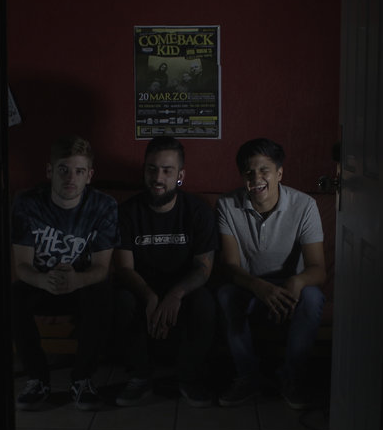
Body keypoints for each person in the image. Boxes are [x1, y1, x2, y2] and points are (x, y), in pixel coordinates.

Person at [215, 137, 327, 409]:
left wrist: (296, 282)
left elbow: (318, 269)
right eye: (249, 172)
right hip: (249, 285)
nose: (256, 178)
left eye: (264, 170)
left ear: (279, 173)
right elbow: (230, 267)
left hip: (290, 287)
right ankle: (247, 376)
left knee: (313, 298)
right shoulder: (227, 204)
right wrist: (259, 287)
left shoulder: (304, 205)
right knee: (226, 294)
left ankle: (292, 377)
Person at [11, 135, 118, 411]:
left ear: (89, 175)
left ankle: (81, 379)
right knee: (13, 296)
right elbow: (21, 265)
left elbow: (102, 268)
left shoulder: (103, 206)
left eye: (79, 171)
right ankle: (37, 380)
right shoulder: (27, 203)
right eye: (63, 170)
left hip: (81, 286)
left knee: (103, 292)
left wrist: (76, 280)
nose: (71, 178)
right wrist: (42, 280)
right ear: (50, 171)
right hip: (41, 283)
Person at [112, 137, 218, 406]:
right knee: (121, 300)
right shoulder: (127, 213)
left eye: (167, 170)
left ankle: (189, 378)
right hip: (141, 287)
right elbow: (124, 268)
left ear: (180, 175)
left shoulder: (197, 212)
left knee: (205, 302)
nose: (158, 178)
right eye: (152, 169)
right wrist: (150, 296)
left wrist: (175, 294)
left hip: (182, 289)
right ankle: (140, 377)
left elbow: (203, 269)